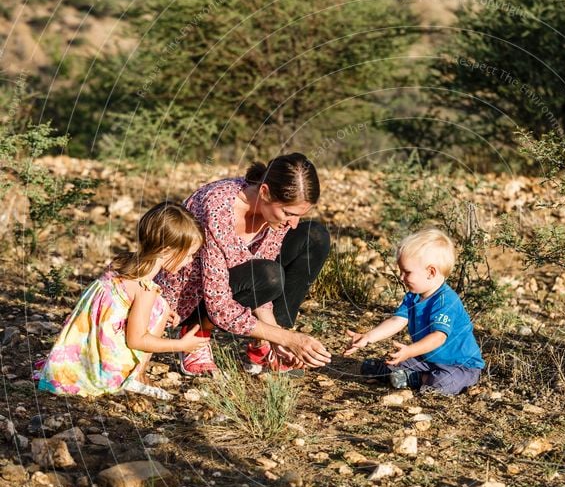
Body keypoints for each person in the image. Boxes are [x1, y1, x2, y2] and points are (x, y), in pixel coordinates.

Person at [155, 153, 332, 376]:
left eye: (298, 215)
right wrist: (287, 338)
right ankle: (196, 335)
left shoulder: (274, 217)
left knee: (314, 237)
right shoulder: (218, 207)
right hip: (188, 299)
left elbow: (263, 282)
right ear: (265, 192)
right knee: (270, 274)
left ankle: (264, 347)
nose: (293, 223)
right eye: (288, 213)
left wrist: (277, 336)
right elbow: (219, 303)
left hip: (237, 285)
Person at [36, 202, 209, 400]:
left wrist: (157, 306)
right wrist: (180, 345)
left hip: (78, 353)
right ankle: (136, 376)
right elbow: (136, 340)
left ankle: (130, 371)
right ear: (166, 250)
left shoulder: (122, 263)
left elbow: (118, 304)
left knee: (161, 305)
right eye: (188, 255)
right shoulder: (145, 289)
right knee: (160, 306)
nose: (189, 261)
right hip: (103, 369)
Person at [344, 228, 484, 395]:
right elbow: (397, 321)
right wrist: (368, 337)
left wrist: (410, 351)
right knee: (395, 362)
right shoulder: (413, 297)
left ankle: (415, 378)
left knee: (444, 382)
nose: (401, 277)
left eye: (407, 272)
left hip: (460, 365)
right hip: (426, 360)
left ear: (431, 272)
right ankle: (399, 373)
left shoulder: (446, 301)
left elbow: (438, 338)